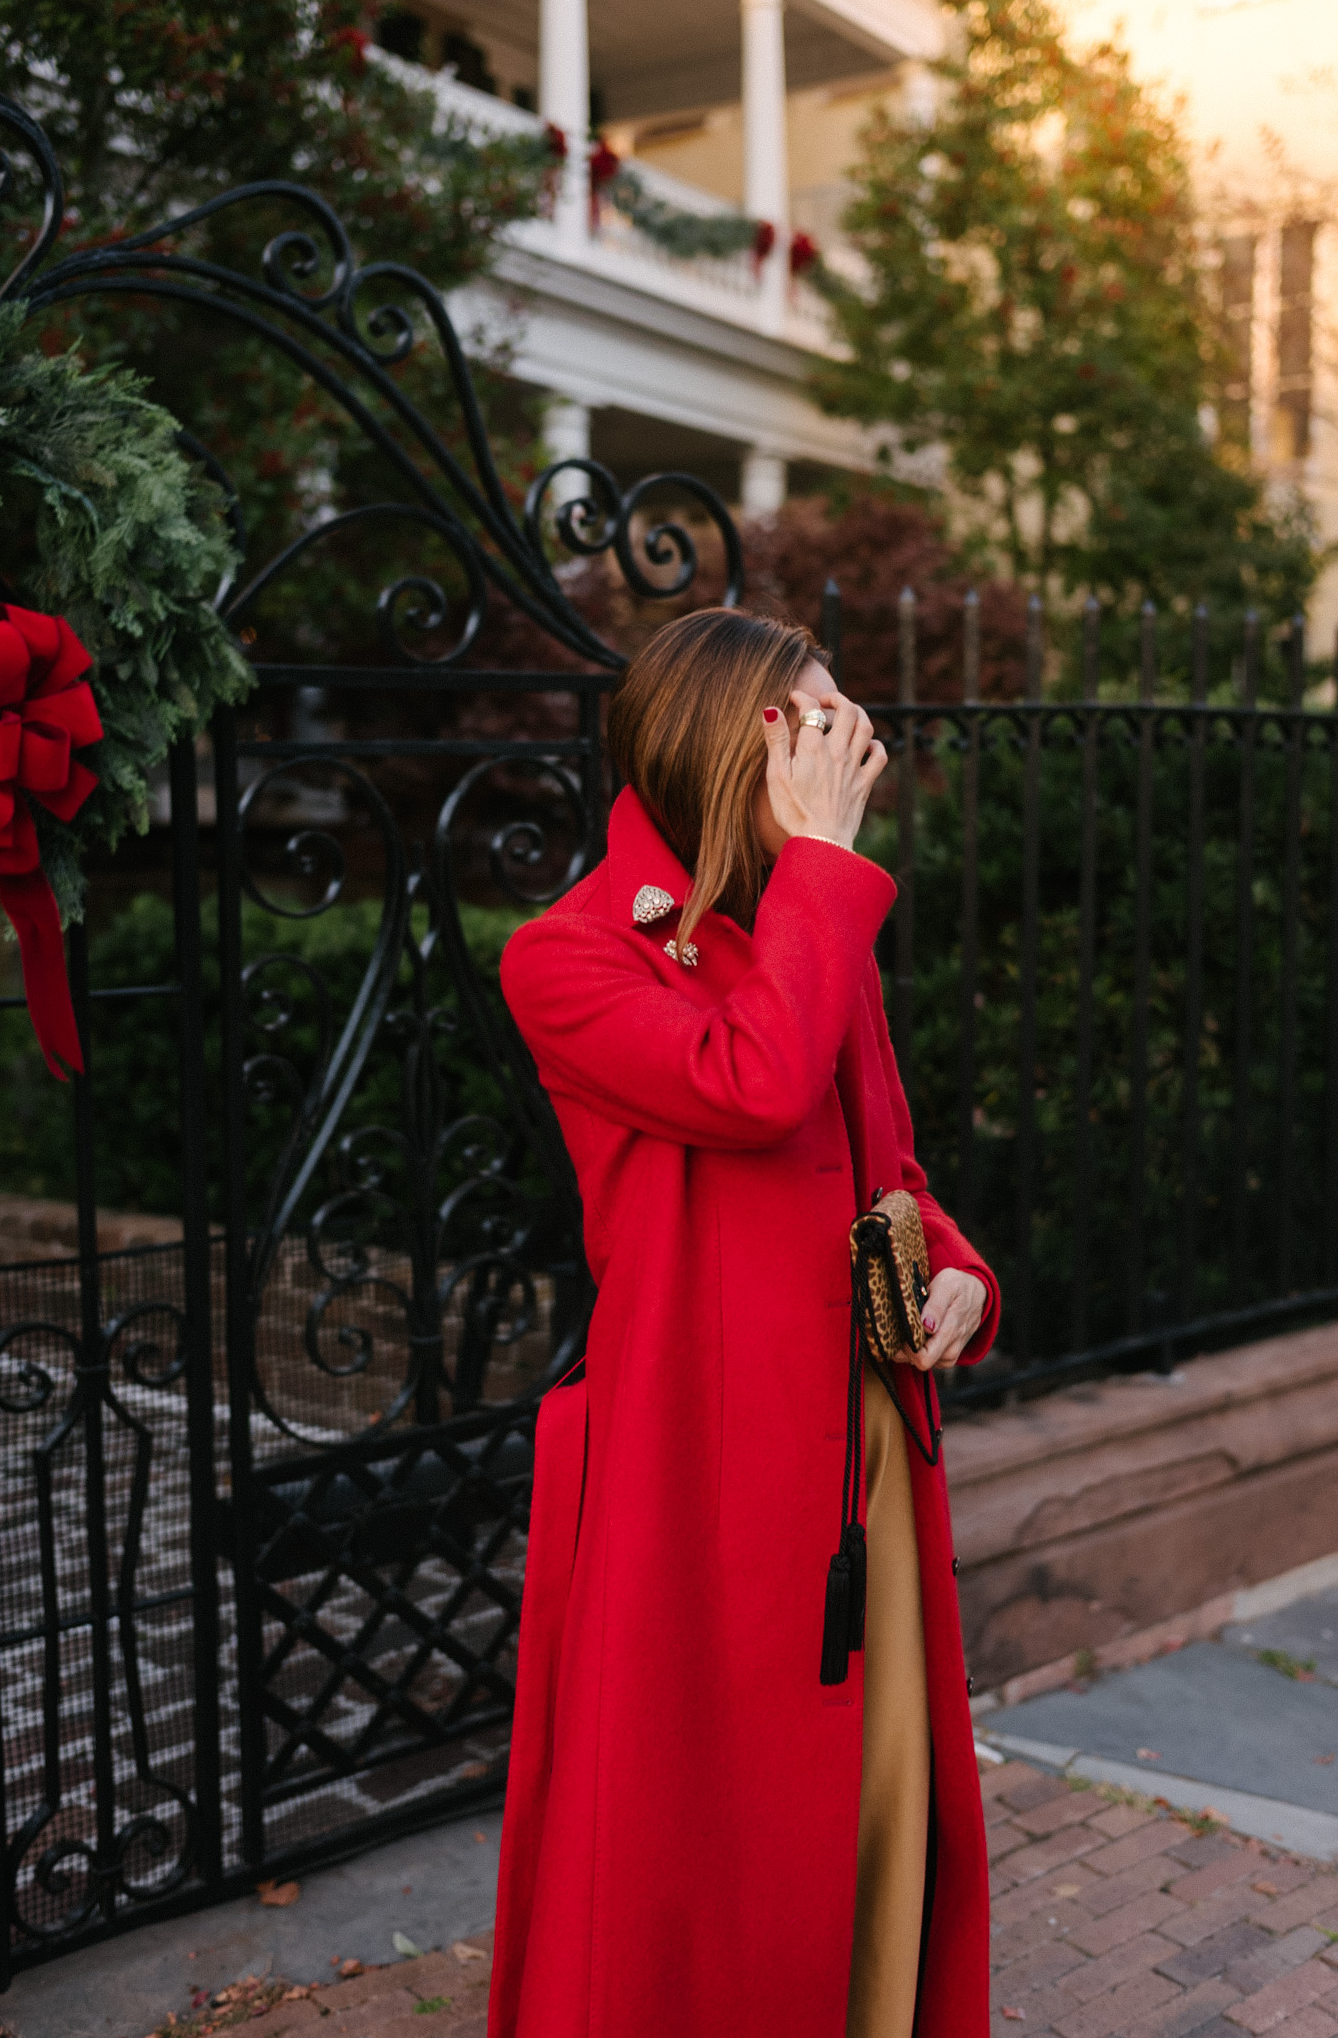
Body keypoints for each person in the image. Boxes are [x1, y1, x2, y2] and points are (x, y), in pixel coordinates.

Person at [487, 608, 1000, 2038]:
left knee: (881, 1828)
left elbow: (878, 1165)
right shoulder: (570, 956)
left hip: (866, 1458)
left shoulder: (805, 925)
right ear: (738, 739)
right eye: (820, 722)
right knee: (704, 1862)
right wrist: (828, 872)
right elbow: (751, 1087)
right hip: (695, 1480)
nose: (852, 749)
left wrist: (960, 1274)